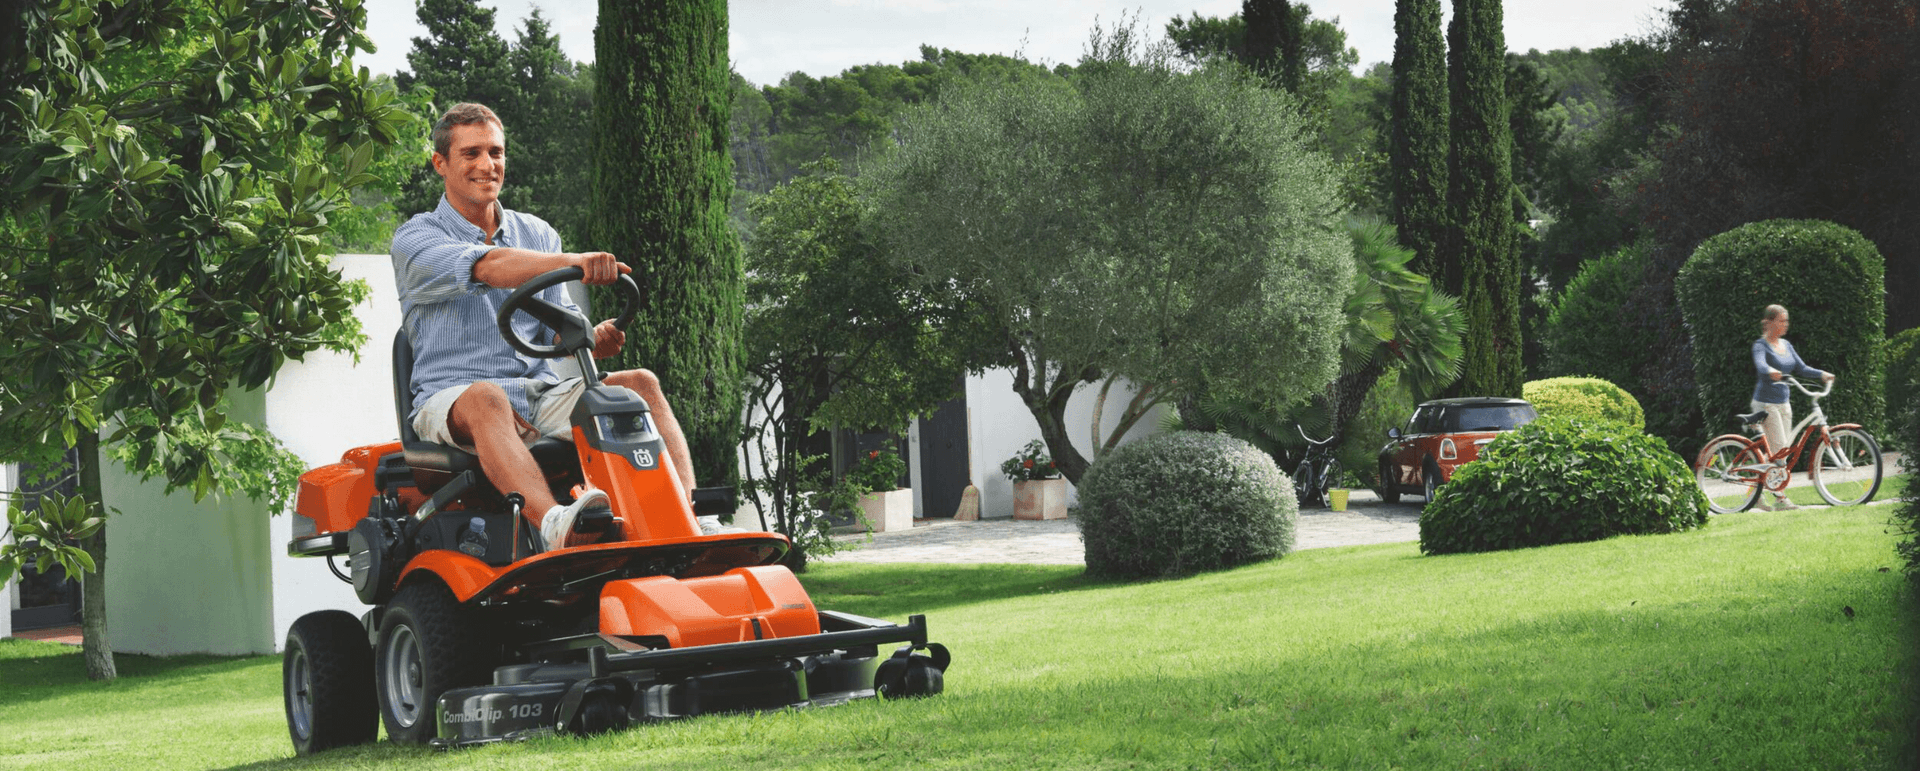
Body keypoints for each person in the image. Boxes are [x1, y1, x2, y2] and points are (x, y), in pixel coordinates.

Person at [390, 103, 696, 550]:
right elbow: (489, 268)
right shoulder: (416, 239)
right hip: (453, 398)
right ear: (441, 164)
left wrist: (588, 338)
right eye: (470, 153)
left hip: (536, 394)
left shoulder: (537, 233)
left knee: (640, 384)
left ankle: (686, 517)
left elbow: (553, 328)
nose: (486, 165)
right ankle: (553, 523)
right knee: (487, 397)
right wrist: (575, 261)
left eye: (495, 152)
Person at [1750, 303, 1834, 511]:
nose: (1785, 325)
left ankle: (1755, 494)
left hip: (1784, 403)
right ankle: (1780, 499)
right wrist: (1770, 370)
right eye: (1781, 320)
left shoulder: (1786, 345)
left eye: (1786, 321)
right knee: (1779, 451)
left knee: (1782, 452)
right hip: (1765, 403)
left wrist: (1821, 374)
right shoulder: (1761, 345)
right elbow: (1760, 364)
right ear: (1769, 323)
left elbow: (1802, 368)